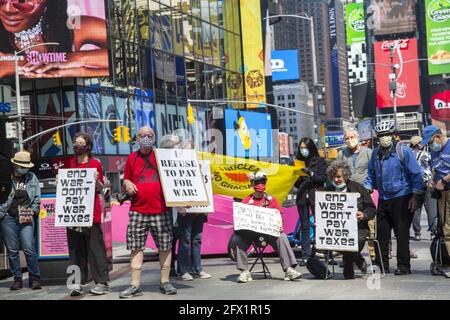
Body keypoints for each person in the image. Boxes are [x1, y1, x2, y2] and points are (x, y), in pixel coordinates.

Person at [119, 126, 177, 298]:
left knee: (165, 246)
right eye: (142, 135)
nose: (145, 138)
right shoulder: (132, 158)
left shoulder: (162, 156)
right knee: (136, 247)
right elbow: (126, 178)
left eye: (149, 135)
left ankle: (165, 282)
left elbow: (177, 178)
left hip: (161, 209)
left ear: (154, 138)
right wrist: (127, 183)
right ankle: (135, 285)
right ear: (137, 138)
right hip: (138, 210)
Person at [365, 120, 425, 275]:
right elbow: (370, 175)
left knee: (402, 234)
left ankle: (404, 266)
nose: (383, 138)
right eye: (380, 135)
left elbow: (417, 175)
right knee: (381, 235)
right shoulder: (375, 153)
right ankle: (381, 265)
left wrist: (415, 197)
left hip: (402, 197)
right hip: (383, 199)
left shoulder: (403, 151)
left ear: (393, 135)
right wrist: (366, 188)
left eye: (386, 134)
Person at [0, 0, 108, 78]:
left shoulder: (74, 25)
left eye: (21, 1)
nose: (7, 9)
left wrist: (78, 61)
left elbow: (123, 57)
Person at [232, 171, 302, 283]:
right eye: (257, 182)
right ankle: (244, 271)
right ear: (252, 184)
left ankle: (289, 269)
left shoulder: (271, 199)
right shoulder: (246, 201)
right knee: (237, 238)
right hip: (252, 235)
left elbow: (278, 216)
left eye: (262, 181)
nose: (260, 184)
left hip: (269, 234)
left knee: (282, 237)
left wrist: (280, 226)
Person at [65, 132, 111, 296]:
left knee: (95, 249)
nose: (77, 145)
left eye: (80, 143)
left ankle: (102, 282)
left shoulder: (95, 164)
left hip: (91, 214)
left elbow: (102, 190)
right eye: (75, 142)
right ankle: (76, 283)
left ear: (88, 146)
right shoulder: (71, 164)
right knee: (76, 250)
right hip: (74, 214)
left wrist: (97, 180)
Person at [323, 161, 376, 279]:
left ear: (345, 176)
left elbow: (372, 208)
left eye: (338, 177)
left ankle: (348, 265)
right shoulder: (327, 190)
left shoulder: (358, 188)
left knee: (354, 240)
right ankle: (358, 259)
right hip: (336, 228)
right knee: (335, 240)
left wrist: (364, 214)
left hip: (359, 228)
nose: (336, 180)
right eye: (333, 177)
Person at [0, 151, 41, 290]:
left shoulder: (32, 177)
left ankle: (34, 278)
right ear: (14, 164)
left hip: (26, 215)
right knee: (12, 250)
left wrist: (33, 210)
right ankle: (17, 279)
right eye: (22, 166)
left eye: (26, 166)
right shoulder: (5, 177)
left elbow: (37, 198)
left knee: (29, 248)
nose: (24, 169)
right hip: (8, 217)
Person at [175, 139, 212, 281]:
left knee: (197, 239)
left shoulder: (200, 165)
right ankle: (183, 270)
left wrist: (208, 178)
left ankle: (197, 269)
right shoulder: (178, 167)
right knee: (185, 240)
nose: (190, 153)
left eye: (192, 150)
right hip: (186, 210)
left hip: (199, 209)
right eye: (187, 150)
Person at [337, 128, 376, 262]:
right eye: (346, 138)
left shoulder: (369, 153)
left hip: (365, 194)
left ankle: (373, 257)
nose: (349, 140)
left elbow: (373, 172)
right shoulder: (342, 154)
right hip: (347, 196)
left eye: (351, 137)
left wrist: (369, 187)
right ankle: (351, 258)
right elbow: (336, 171)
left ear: (358, 137)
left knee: (369, 227)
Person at [294, 137, 327, 265]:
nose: (303, 150)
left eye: (305, 148)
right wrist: (296, 175)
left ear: (311, 148)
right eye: (301, 148)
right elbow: (296, 184)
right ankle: (306, 255)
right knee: (305, 226)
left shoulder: (319, 161)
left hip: (316, 196)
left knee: (321, 224)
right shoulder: (298, 162)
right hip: (302, 196)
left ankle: (325, 252)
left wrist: (310, 174)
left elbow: (322, 179)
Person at [422, 126, 450, 253]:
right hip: (441, 192)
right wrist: (431, 180)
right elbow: (436, 168)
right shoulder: (433, 152)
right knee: (445, 227)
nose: (430, 145)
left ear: (438, 136)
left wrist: (444, 180)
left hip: (447, 187)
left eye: (430, 142)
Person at [409, 135, 436, 241]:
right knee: (431, 209)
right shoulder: (426, 154)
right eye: (422, 142)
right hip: (427, 184)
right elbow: (433, 167)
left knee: (416, 210)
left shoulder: (408, 155)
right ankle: (433, 233)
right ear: (418, 144)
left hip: (415, 185)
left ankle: (417, 233)